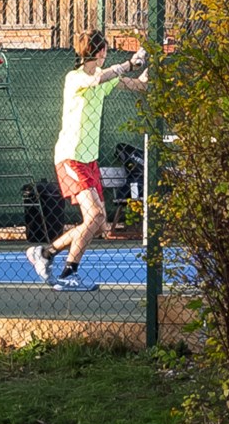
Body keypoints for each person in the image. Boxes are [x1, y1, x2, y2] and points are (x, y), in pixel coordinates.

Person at [31, 27, 147, 288]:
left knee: (97, 222)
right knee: (94, 216)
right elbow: (97, 78)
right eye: (105, 49)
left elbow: (141, 86)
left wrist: (151, 61)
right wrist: (129, 63)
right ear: (101, 51)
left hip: (89, 160)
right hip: (70, 157)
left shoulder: (105, 79)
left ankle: (46, 253)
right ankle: (68, 273)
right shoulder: (75, 78)